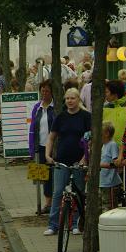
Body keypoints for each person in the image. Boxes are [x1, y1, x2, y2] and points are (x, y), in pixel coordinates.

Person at [44, 88, 91, 236]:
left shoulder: (86, 117)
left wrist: (85, 158)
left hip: (79, 161)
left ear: (78, 100)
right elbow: (51, 138)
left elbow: (91, 139)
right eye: (67, 99)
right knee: (58, 192)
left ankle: (77, 223)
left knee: (79, 193)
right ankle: (53, 225)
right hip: (61, 160)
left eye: (73, 98)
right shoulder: (61, 117)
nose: (70, 101)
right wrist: (47, 155)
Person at [28, 80, 55, 212]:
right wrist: (32, 148)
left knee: (53, 175)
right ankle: (47, 203)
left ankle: (54, 203)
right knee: (41, 176)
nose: (44, 94)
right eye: (42, 91)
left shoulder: (55, 107)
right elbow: (32, 127)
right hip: (40, 147)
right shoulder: (37, 107)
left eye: (47, 91)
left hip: (53, 148)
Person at [99, 122, 122, 212]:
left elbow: (116, 163)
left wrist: (100, 165)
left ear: (107, 133)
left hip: (110, 182)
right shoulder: (103, 146)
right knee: (101, 206)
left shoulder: (112, 145)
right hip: (102, 182)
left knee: (109, 207)